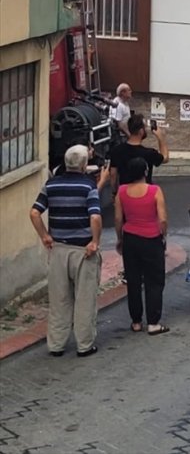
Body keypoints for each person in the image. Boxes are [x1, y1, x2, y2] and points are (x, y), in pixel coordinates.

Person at [29, 145, 103, 357]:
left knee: (59, 299)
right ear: (82, 165)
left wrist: (45, 236)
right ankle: (84, 345)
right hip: (83, 251)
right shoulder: (88, 186)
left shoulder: (51, 184)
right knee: (84, 299)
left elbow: (35, 212)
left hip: (58, 249)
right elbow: (95, 217)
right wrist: (95, 242)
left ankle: (56, 345)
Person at [114, 157, 169, 335]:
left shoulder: (121, 191)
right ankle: (153, 322)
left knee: (133, 280)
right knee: (154, 281)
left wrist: (120, 238)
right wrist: (163, 235)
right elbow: (162, 218)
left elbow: (117, 219)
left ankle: (136, 321)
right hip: (151, 238)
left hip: (130, 238)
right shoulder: (154, 190)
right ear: (145, 172)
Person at [109, 112, 169, 194]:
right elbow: (165, 158)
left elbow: (113, 174)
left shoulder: (116, 150)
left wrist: (115, 193)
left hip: (125, 193)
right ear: (141, 131)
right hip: (144, 193)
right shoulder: (149, 153)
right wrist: (161, 138)